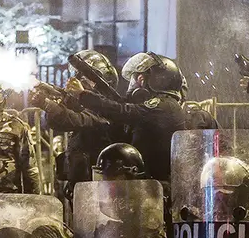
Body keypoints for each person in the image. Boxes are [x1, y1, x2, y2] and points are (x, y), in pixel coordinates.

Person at [73, 52, 186, 187]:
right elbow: (119, 107)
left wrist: (83, 95)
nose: (133, 84)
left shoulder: (164, 106)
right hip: (146, 185)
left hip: (159, 189)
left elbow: (121, 111)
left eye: (139, 78)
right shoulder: (161, 107)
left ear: (157, 79)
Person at [30, 50, 126, 197]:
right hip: (81, 179)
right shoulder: (86, 104)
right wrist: (54, 95)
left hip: (99, 182)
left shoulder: (106, 108)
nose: (78, 81)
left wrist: (48, 104)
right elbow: (55, 123)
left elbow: (77, 120)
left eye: (84, 79)